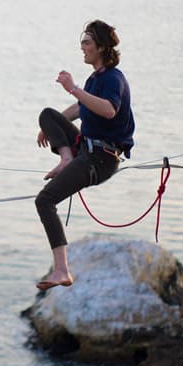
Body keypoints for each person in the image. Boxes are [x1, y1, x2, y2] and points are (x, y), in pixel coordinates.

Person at [34, 20, 134, 290]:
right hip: (85, 150)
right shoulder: (95, 79)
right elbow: (80, 109)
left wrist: (73, 88)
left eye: (87, 42)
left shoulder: (114, 78)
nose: (82, 48)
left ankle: (62, 271)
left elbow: (108, 110)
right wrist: (50, 125)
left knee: (44, 201)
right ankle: (65, 157)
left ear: (101, 47)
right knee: (47, 113)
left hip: (100, 158)